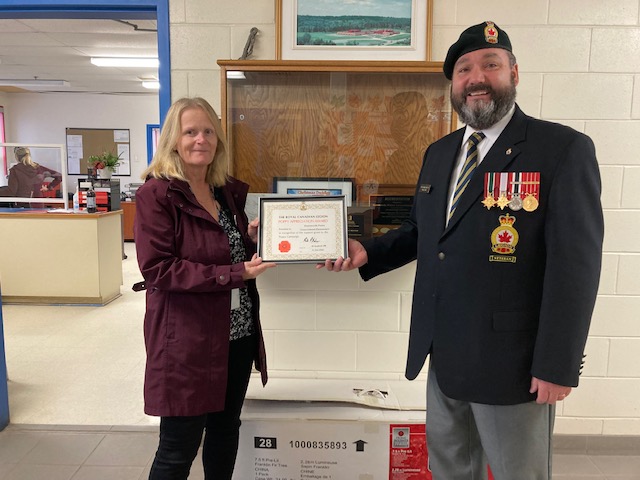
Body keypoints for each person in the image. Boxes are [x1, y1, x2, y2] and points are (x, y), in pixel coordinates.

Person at [321, 21, 603, 479]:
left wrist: (558, 363)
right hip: (444, 352)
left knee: (519, 473)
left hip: (513, 363)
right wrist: (366, 251)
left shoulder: (561, 149)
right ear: (453, 84)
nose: (476, 78)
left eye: (490, 65)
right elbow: (423, 230)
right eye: (464, 69)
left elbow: (577, 266)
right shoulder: (440, 152)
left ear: (514, 72)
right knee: (451, 469)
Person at [134, 97, 276, 480]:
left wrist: (248, 238)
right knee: (179, 446)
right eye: (191, 131)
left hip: (237, 335)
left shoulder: (223, 192)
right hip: (187, 342)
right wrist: (234, 273)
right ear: (173, 141)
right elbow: (158, 269)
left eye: (209, 131)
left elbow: (224, 252)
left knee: (226, 432)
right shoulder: (157, 195)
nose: (201, 139)